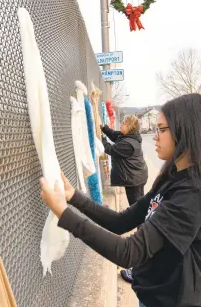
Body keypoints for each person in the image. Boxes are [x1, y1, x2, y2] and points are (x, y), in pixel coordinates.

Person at [40, 93, 201, 307]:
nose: (155, 136)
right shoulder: (171, 177)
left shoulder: (191, 195)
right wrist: (73, 197)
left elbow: (129, 252)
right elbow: (121, 221)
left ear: (186, 131)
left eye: (162, 129)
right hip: (153, 294)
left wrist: (63, 213)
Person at [100, 115, 148, 206]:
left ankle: (139, 220)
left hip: (134, 179)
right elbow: (114, 134)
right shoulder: (129, 137)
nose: (121, 124)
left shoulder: (127, 144)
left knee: (135, 206)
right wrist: (104, 128)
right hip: (138, 175)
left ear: (130, 126)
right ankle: (143, 218)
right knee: (140, 203)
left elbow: (110, 149)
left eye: (124, 123)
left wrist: (101, 139)